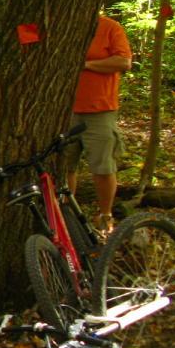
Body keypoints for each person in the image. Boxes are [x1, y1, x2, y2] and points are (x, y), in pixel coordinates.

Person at [67, 13, 132, 232]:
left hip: (100, 110)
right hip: (64, 110)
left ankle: (105, 215)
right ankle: (68, 214)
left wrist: (85, 65)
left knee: (103, 167)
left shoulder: (110, 27)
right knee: (65, 166)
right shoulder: (61, 24)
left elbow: (123, 61)